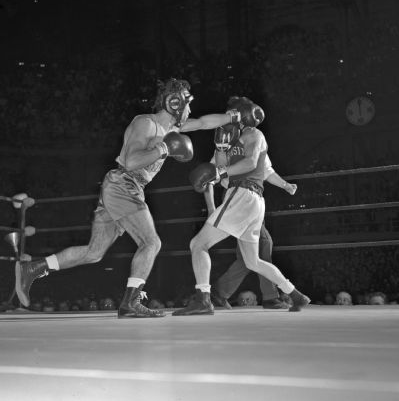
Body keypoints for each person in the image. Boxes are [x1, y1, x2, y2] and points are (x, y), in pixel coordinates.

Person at [15, 78, 243, 318]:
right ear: (174, 103)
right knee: (151, 242)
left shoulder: (173, 129)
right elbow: (132, 161)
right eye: (187, 103)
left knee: (94, 252)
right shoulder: (145, 123)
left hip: (126, 187)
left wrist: (234, 117)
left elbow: (204, 123)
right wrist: (163, 149)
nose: (190, 110)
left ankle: (34, 268)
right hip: (124, 183)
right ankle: (131, 302)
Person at [172, 96, 310, 316]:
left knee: (198, 244)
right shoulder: (231, 139)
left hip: (243, 194)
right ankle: (295, 294)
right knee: (253, 261)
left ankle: (203, 299)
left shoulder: (255, 135)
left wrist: (284, 185)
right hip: (249, 200)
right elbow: (216, 169)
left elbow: (253, 165)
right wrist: (220, 148)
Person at [205, 123, 298, 309]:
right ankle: (272, 296)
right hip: (238, 201)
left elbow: (266, 170)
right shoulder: (225, 147)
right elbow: (208, 177)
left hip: (250, 201)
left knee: (249, 257)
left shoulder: (254, 140)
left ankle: (218, 292)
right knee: (261, 246)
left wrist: (286, 185)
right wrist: (212, 209)